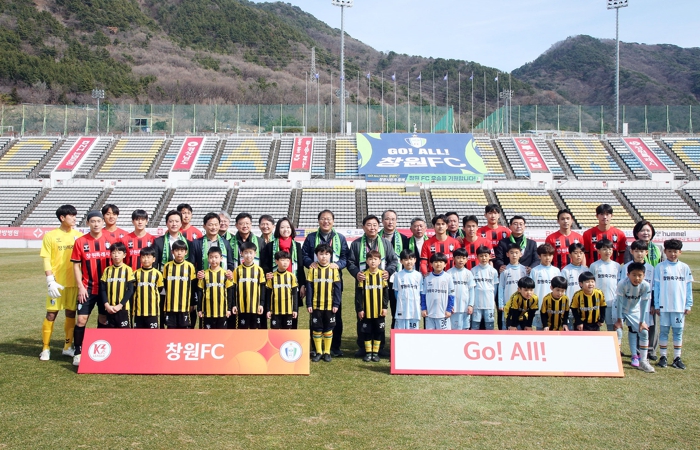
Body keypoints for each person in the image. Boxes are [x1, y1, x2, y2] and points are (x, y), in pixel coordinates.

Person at [348, 215, 398, 356]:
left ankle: (379, 348)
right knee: (362, 314)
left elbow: (393, 260)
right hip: (363, 285)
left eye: (375, 225)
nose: (372, 227)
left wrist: (388, 271)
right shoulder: (356, 244)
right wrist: (356, 273)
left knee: (379, 316)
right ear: (363, 227)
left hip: (380, 286)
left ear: (378, 226)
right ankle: (363, 347)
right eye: (369, 225)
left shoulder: (385, 243)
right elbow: (350, 262)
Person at [301, 210, 349, 357]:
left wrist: (338, 265)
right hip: (316, 282)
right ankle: (315, 348)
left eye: (328, 219)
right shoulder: (311, 237)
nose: (326, 221)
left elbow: (345, 257)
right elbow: (304, 255)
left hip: (333, 282)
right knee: (315, 316)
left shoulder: (340, 238)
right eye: (323, 219)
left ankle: (335, 347)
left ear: (333, 221)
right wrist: (310, 263)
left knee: (335, 314)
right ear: (318, 221)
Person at [39, 204, 83, 361]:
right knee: (51, 314)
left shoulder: (78, 236)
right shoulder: (50, 236)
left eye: (75, 215)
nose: (74, 218)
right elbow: (46, 258)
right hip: (57, 284)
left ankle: (67, 347)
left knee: (71, 313)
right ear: (62, 218)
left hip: (73, 283)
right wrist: (50, 280)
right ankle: (45, 348)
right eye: (71, 215)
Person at [70, 210, 112, 366]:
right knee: (81, 320)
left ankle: (101, 349)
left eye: (98, 221)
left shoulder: (110, 240)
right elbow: (76, 266)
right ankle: (78, 351)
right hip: (87, 288)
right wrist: (80, 287)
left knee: (103, 318)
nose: (96, 224)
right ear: (88, 223)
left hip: (105, 288)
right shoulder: (80, 242)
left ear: (103, 223)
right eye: (92, 221)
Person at [624, 220, 664, 360]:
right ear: (636, 233)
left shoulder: (658, 248)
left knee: (651, 323)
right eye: (642, 230)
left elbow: (660, 268)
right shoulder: (630, 248)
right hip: (634, 293)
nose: (645, 233)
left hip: (650, 291)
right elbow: (628, 270)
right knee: (635, 324)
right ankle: (636, 351)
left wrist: (654, 302)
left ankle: (650, 350)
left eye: (648, 230)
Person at [189, 212, 235, 329]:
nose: (213, 227)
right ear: (204, 226)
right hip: (204, 285)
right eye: (210, 224)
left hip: (221, 285)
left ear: (219, 225)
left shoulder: (226, 243)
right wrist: (198, 273)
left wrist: (230, 271)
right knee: (205, 321)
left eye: (216, 224)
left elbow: (230, 263)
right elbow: (192, 264)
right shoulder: (196, 243)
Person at [653, 239, 693, 369]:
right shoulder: (660, 267)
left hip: (679, 306)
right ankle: (663, 357)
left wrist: (688, 304)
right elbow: (656, 287)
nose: (672, 254)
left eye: (675, 251)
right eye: (669, 251)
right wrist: (657, 305)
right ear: (665, 251)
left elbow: (688, 288)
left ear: (680, 252)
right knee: (664, 331)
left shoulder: (684, 267)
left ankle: (677, 358)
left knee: (678, 332)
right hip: (664, 306)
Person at [261, 217, 306, 329]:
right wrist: (267, 273)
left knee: (292, 319)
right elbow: (265, 264)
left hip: (292, 286)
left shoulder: (297, 246)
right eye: (282, 227)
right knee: (276, 320)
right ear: (278, 229)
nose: (285, 229)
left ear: (292, 229)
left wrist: (302, 284)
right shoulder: (270, 246)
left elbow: (300, 267)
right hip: (275, 287)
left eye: (288, 227)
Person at [154, 210, 191, 328]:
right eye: (171, 221)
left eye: (176, 221)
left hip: (183, 285)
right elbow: (155, 264)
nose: (174, 224)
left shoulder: (188, 242)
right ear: (166, 223)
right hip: (165, 283)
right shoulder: (159, 242)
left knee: (183, 317)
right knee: (164, 312)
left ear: (181, 223)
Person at [615, 262, 654, 372]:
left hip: (634, 310)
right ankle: (616, 360)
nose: (637, 278)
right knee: (618, 331)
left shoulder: (645, 285)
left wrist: (642, 321)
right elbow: (619, 302)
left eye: (640, 275)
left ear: (644, 275)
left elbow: (644, 304)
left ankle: (642, 361)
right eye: (634, 275)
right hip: (619, 308)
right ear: (628, 275)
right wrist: (619, 320)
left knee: (644, 332)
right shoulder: (622, 284)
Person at [618, 240, 654, 357]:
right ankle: (619, 355)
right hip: (624, 304)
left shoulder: (650, 269)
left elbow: (650, 290)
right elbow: (622, 290)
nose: (639, 254)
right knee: (620, 330)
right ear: (632, 251)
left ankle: (641, 357)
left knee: (641, 330)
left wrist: (652, 305)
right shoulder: (626, 268)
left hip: (639, 305)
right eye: (637, 251)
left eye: (642, 251)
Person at [306, 244, 342, 362]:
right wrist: (309, 304)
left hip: (329, 306)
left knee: (328, 329)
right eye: (321, 254)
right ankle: (318, 352)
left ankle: (327, 352)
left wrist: (336, 304)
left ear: (330, 255)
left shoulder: (334, 269)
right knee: (317, 328)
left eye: (326, 254)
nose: (324, 257)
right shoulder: (312, 269)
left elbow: (337, 288)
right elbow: (309, 287)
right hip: (316, 305)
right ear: (316, 255)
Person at [356, 251, 389, 362]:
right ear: (366, 261)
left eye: (375, 259)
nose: (373, 261)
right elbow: (359, 294)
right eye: (370, 259)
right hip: (367, 310)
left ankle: (375, 353)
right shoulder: (363, 275)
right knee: (367, 331)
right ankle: (368, 352)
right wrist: (360, 309)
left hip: (379, 310)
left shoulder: (382, 275)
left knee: (379, 331)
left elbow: (385, 293)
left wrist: (385, 307)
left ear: (379, 261)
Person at [589, 240, 621, 346]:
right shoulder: (594, 266)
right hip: (597, 303)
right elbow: (590, 283)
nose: (608, 251)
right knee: (595, 326)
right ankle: (595, 347)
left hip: (612, 302)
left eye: (610, 249)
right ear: (598, 251)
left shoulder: (617, 266)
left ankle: (614, 348)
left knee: (612, 327)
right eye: (604, 249)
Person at [379, 209, 408, 329]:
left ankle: (395, 335)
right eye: (387, 219)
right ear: (382, 221)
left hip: (398, 279)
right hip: (379, 279)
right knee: (379, 309)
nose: (390, 222)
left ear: (396, 221)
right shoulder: (376, 238)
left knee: (397, 309)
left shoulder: (404, 239)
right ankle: (378, 337)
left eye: (393, 219)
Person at [162, 240, 197, 329]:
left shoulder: (190, 266)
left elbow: (193, 286)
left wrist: (192, 303)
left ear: (186, 252)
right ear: (172, 252)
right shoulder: (167, 266)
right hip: (170, 306)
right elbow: (165, 285)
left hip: (185, 306)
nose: (179, 253)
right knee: (171, 329)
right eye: (176, 250)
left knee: (184, 330)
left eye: (182, 250)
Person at [231, 241, 266, 329]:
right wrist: (234, 304)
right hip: (241, 307)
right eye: (246, 252)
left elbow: (262, 288)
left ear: (255, 254)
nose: (248, 255)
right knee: (243, 330)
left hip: (255, 307)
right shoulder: (237, 270)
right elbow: (233, 288)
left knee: (254, 330)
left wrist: (261, 304)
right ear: (241, 253)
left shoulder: (259, 270)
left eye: (251, 252)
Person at [100, 241, 134, 328]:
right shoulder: (107, 270)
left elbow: (130, 290)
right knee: (111, 333)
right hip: (110, 308)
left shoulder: (128, 270)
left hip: (123, 309)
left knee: (124, 334)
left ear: (124, 255)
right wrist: (106, 305)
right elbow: (102, 289)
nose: (116, 255)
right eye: (114, 253)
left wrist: (120, 305)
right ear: (110, 254)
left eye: (119, 253)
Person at [197, 247, 233, 329]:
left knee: (221, 334)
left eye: (216, 257)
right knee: (208, 335)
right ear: (208, 259)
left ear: (221, 258)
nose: (213, 260)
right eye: (211, 257)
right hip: (207, 312)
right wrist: (199, 309)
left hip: (222, 312)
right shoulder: (203, 275)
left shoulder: (226, 274)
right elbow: (200, 293)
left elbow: (229, 293)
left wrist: (228, 309)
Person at [529, 243, 561, 330]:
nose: (547, 258)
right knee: (541, 331)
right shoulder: (535, 271)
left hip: (554, 308)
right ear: (539, 256)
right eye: (545, 255)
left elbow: (560, 289)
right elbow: (531, 289)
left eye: (550, 255)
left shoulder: (556, 271)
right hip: (539, 307)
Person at [421, 253, 455, 330]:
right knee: (430, 335)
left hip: (443, 314)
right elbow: (423, 295)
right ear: (431, 264)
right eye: (436, 262)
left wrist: (449, 309)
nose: (438, 264)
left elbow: (451, 295)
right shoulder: (427, 278)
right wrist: (423, 308)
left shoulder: (448, 277)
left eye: (441, 262)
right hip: (429, 314)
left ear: (445, 264)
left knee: (444, 335)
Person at [266, 250, 299, 330]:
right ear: (276, 261)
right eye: (283, 260)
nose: (285, 263)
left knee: (286, 332)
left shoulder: (292, 276)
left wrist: (295, 310)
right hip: (275, 311)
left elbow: (295, 294)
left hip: (288, 311)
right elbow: (268, 295)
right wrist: (268, 310)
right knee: (275, 332)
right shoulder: (272, 277)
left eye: (287, 260)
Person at [498, 243, 528, 330]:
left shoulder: (525, 270)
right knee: (506, 328)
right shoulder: (504, 270)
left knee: (520, 328)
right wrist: (501, 304)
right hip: (507, 305)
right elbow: (501, 287)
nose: (514, 255)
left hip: (521, 305)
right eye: (511, 253)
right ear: (507, 254)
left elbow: (528, 289)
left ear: (520, 254)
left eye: (516, 252)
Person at [131, 246, 162, 329]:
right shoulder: (135, 273)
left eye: (148, 257)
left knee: (153, 334)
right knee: (138, 334)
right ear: (140, 259)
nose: (146, 259)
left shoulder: (157, 274)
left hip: (152, 311)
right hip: (138, 311)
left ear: (154, 259)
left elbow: (160, 288)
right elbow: (133, 289)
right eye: (143, 257)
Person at [471, 246, 499, 330]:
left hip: (489, 303)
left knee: (489, 325)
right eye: (481, 256)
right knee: (475, 325)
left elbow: (495, 288)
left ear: (489, 256)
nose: (484, 258)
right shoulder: (473, 270)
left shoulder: (493, 271)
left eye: (486, 256)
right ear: (477, 257)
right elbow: (472, 288)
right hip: (476, 303)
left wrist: (492, 299)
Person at [393, 249, 422, 330]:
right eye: (406, 259)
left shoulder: (419, 275)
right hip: (402, 309)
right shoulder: (398, 275)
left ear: (415, 260)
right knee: (400, 332)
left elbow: (420, 292)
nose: (409, 262)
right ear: (401, 261)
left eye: (411, 259)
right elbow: (396, 292)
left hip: (414, 309)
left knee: (413, 333)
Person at [448, 248, 475, 330]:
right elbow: (447, 291)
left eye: (463, 258)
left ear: (467, 259)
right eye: (458, 257)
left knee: (465, 329)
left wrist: (470, 305)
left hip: (465, 307)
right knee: (454, 329)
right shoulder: (449, 273)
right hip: (453, 308)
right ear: (453, 258)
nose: (461, 260)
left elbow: (471, 290)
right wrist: (449, 305)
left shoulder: (469, 273)